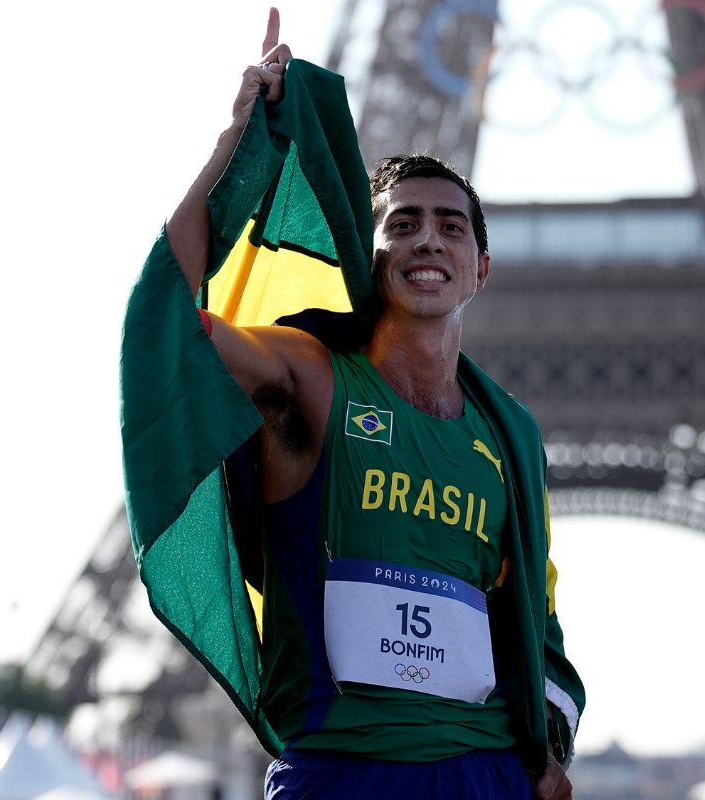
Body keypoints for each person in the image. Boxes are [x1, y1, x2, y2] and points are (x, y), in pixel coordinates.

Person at [156, 9, 583, 799]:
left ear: (479, 268)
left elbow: (531, 610)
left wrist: (548, 747)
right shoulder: (313, 378)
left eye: (451, 227)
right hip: (343, 770)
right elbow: (176, 322)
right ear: (371, 255)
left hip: (485, 769)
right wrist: (237, 143)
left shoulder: (508, 434)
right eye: (405, 223)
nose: (428, 240)